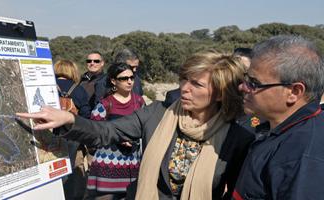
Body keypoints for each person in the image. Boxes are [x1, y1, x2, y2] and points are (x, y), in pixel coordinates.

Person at [17, 51, 254, 200]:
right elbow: (107, 131)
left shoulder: (238, 138)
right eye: (184, 79)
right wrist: (70, 120)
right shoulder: (158, 113)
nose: (184, 88)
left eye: (197, 84)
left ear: (221, 93)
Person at [234, 35, 324, 200]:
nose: (242, 87)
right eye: (246, 78)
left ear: (294, 92)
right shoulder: (277, 128)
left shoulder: (303, 158)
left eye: (253, 83)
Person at [86, 62, 145, 199]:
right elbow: (94, 133)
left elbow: (146, 128)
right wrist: (118, 139)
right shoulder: (105, 104)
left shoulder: (140, 102)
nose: (129, 81)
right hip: (108, 166)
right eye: (124, 78)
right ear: (113, 81)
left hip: (135, 163)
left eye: (132, 77)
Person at [54, 60, 91, 200]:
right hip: (73, 135)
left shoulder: (48, 86)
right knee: (72, 169)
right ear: (72, 71)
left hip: (52, 134)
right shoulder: (78, 89)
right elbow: (86, 113)